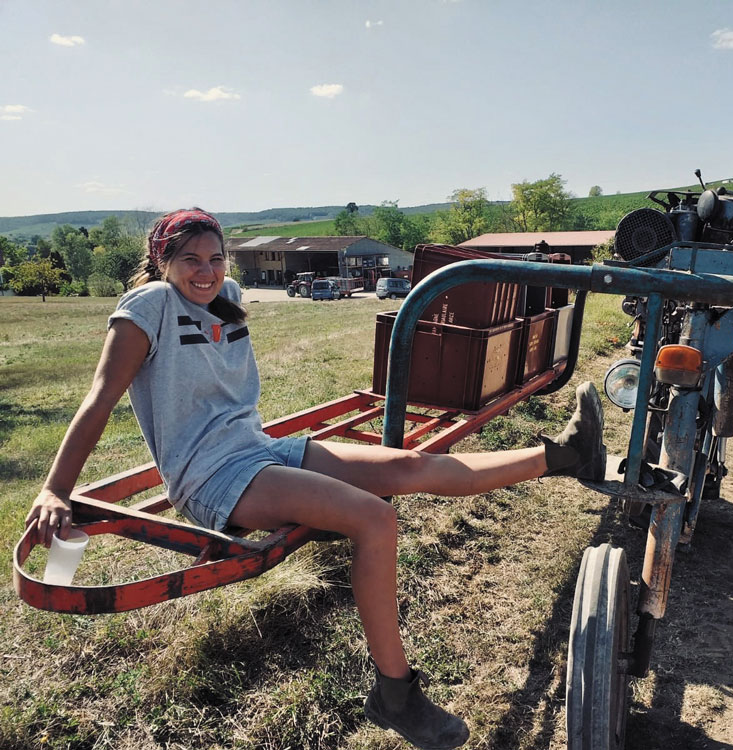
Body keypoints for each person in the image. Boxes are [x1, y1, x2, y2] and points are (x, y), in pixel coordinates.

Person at [24, 208, 607, 750]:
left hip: (260, 450)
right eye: (190, 261)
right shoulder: (147, 305)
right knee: (376, 518)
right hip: (212, 477)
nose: (206, 272)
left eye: (215, 258)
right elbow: (100, 400)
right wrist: (54, 488)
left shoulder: (225, 295)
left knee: (407, 464)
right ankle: (395, 694)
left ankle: (562, 458)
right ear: (161, 262)